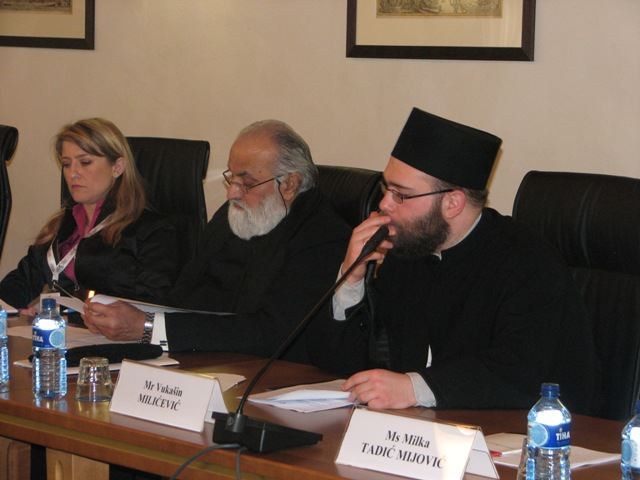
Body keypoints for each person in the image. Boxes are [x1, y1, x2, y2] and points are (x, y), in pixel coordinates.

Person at [333, 107, 601, 414]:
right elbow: (355, 362)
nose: (384, 203)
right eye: (386, 188)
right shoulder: (409, 248)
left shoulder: (529, 262)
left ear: (453, 203)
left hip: (535, 433)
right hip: (425, 428)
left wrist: (413, 388)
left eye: (401, 195)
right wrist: (351, 279)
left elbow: (520, 371)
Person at [84, 119, 352, 366]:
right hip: (196, 359)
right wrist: (130, 315)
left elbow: (271, 333)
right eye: (231, 177)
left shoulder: (322, 237)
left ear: (290, 184)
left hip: (266, 373)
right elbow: (182, 296)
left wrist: (148, 327)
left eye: (247, 183)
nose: (232, 193)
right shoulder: (232, 214)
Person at [0, 118, 180, 313]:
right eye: (66, 164)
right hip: (62, 328)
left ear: (117, 167)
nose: (73, 174)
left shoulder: (152, 231)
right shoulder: (62, 225)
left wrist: (65, 315)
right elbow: (22, 280)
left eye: (85, 162)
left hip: (104, 330)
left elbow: (151, 304)